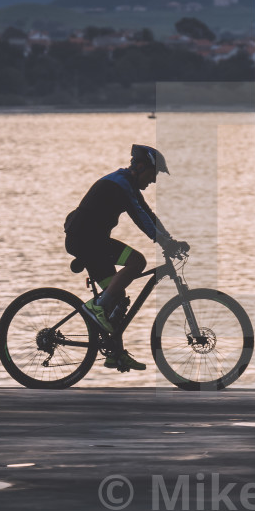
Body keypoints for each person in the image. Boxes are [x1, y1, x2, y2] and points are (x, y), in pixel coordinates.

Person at [64, 144, 188, 372]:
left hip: (92, 241)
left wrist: (169, 240)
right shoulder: (120, 184)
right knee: (137, 262)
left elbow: (149, 214)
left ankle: (116, 354)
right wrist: (165, 243)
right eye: (153, 174)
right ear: (140, 167)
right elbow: (141, 219)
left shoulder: (126, 184)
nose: (154, 181)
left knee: (117, 300)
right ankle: (96, 309)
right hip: (87, 240)